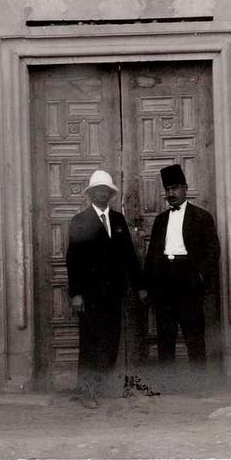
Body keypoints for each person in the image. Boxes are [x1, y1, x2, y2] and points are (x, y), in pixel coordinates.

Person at [65, 168, 147, 407]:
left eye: (106, 190)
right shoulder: (79, 221)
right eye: (97, 190)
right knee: (89, 342)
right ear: (90, 194)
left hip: (114, 293)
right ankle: (86, 392)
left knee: (111, 341)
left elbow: (130, 258)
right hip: (89, 295)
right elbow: (73, 261)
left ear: (111, 194)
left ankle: (101, 387)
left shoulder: (119, 220)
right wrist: (76, 293)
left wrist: (139, 286)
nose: (102, 194)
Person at [144, 164, 221, 382]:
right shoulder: (160, 221)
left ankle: (199, 384)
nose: (171, 194)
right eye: (167, 189)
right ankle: (168, 384)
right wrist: (149, 286)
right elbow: (152, 255)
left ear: (186, 188)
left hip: (189, 279)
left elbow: (212, 251)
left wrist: (200, 277)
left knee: (193, 333)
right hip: (164, 279)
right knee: (165, 334)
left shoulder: (202, 217)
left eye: (175, 188)